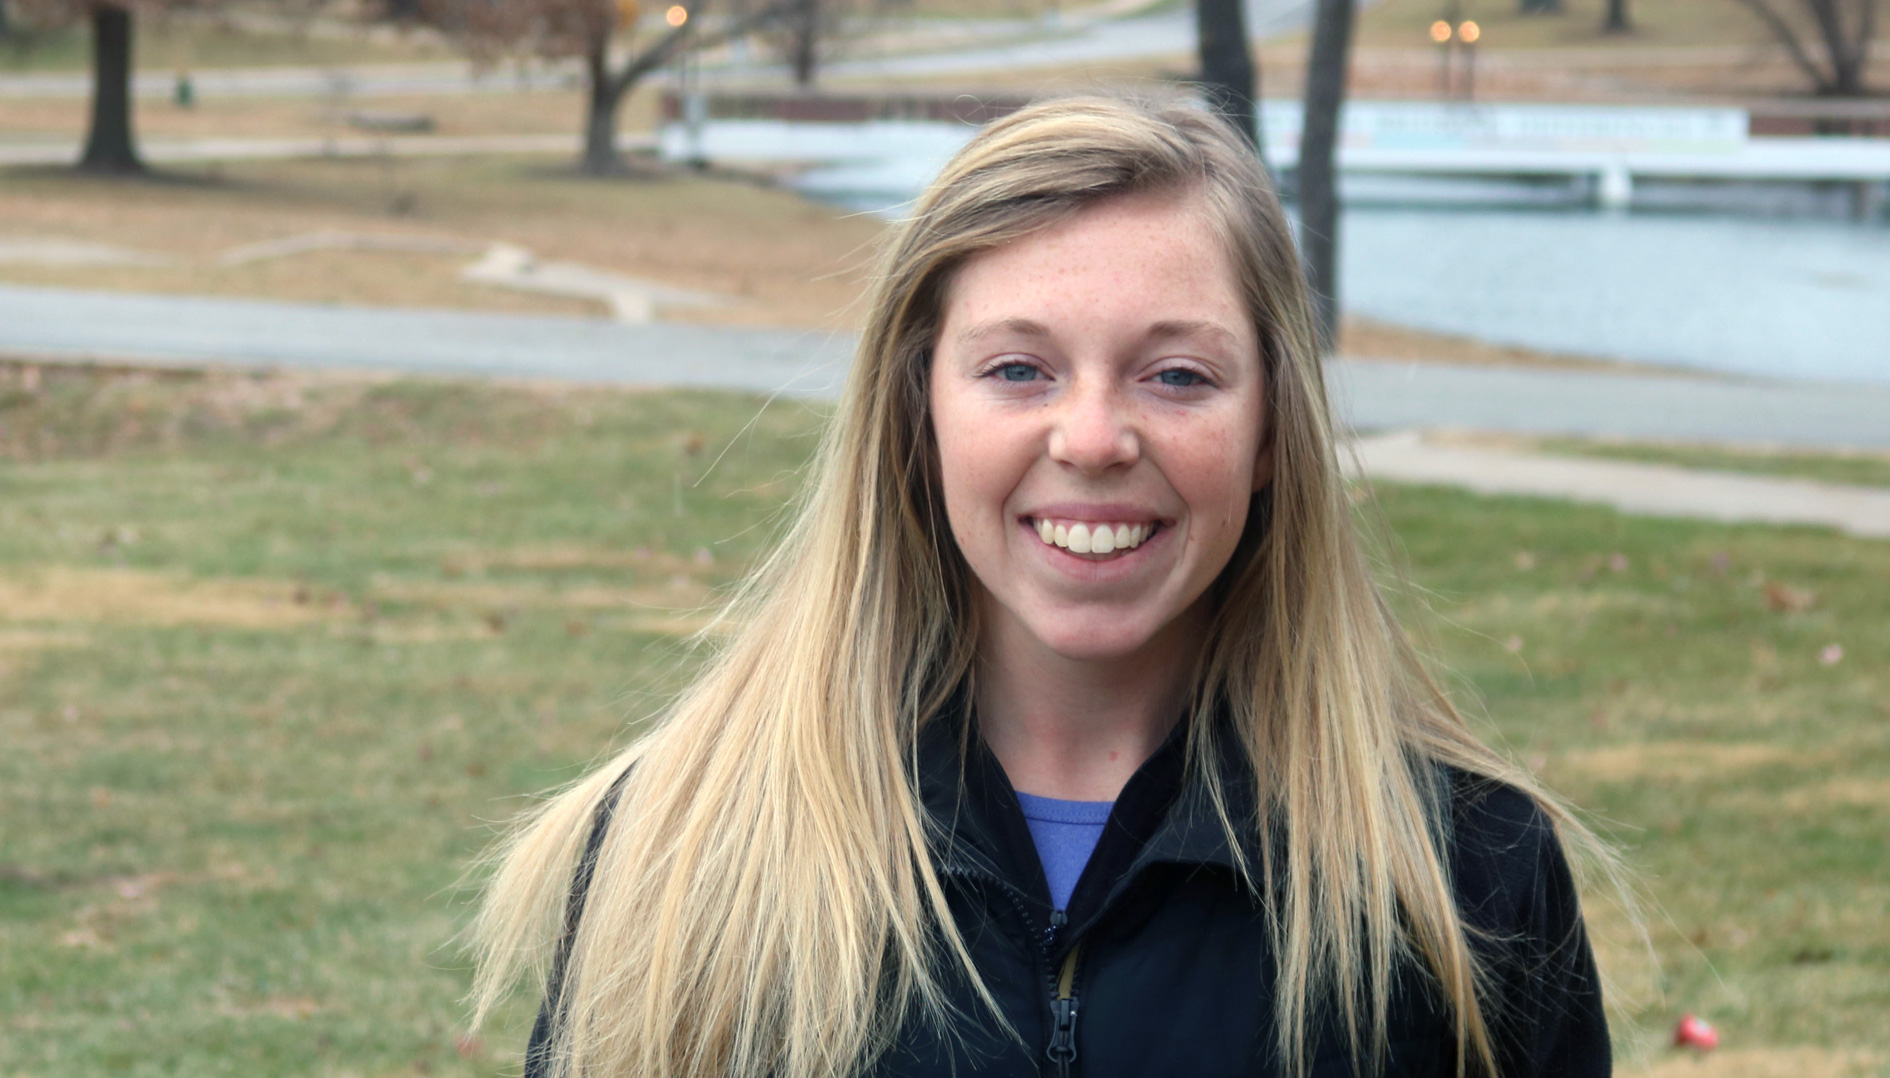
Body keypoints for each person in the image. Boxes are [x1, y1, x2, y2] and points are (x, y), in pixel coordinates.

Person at [467, 93, 1613, 1078]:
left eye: (1176, 374)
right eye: (1018, 369)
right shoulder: (676, 855)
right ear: (916, 413)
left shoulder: (1465, 880)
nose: (1095, 436)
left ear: (1272, 432)